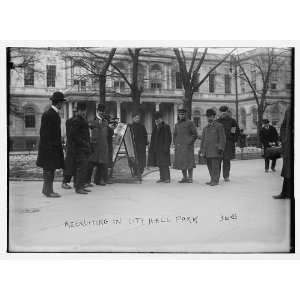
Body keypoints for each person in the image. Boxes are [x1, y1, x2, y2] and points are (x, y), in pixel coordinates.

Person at [36, 91, 66, 197]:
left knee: (50, 170)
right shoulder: (49, 114)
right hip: (49, 149)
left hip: (52, 147)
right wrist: (51, 147)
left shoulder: (53, 114)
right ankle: (48, 191)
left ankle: (47, 190)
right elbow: (44, 134)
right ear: (58, 103)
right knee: (49, 170)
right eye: (62, 102)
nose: (63, 105)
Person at [69, 102, 91, 194]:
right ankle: (78, 188)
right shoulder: (76, 120)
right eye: (81, 111)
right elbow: (73, 135)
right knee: (80, 168)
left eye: (84, 110)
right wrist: (83, 143)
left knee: (84, 167)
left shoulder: (83, 120)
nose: (83, 112)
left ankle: (81, 185)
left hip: (84, 147)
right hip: (79, 148)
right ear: (77, 111)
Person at [200, 109, 226, 186]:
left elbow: (222, 138)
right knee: (210, 166)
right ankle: (212, 179)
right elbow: (203, 140)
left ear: (214, 117)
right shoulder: (205, 128)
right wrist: (202, 150)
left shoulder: (219, 126)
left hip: (215, 150)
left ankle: (215, 180)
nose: (209, 118)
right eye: (208, 117)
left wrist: (221, 148)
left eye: (211, 116)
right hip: (207, 150)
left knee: (215, 166)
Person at [173, 105, 198, 183]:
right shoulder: (177, 125)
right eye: (180, 114)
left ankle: (190, 177)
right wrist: (175, 143)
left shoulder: (190, 123)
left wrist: (189, 142)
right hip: (179, 147)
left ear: (185, 115)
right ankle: (184, 177)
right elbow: (175, 135)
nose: (181, 116)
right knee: (181, 162)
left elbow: (195, 134)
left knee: (189, 162)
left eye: (183, 114)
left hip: (188, 147)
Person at [87, 104, 109, 186]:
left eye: (103, 111)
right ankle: (87, 181)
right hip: (94, 146)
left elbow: (108, 133)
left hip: (102, 146)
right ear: (97, 111)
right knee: (91, 164)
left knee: (101, 164)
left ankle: (98, 180)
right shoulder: (92, 121)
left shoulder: (106, 122)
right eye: (100, 111)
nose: (102, 113)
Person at [273, 106, 292, 199]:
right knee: (288, 170)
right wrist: (284, 140)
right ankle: (285, 193)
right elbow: (284, 126)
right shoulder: (289, 109)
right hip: (289, 144)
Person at [216, 105, 240, 182]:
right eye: (221, 112)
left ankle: (226, 176)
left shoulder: (232, 121)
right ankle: (216, 176)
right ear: (219, 112)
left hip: (228, 143)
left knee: (226, 160)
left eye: (224, 112)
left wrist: (233, 139)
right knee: (218, 160)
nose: (223, 113)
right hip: (219, 144)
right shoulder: (217, 121)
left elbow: (235, 131)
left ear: (227, 112)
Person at [148, 111, 172, 183]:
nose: (157, 121)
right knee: (160, 164)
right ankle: (162, 177)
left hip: (164, 149)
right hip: (157, 149)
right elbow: (153, 138)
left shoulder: (166, 127)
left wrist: (166, 147)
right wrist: (152, 148)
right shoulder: (155, 127)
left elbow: (168, 138)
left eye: (158, 119)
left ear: (161, 119)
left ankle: (167, 178)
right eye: (155, 120)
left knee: (165, 164)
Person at [62, 106, 77, 189]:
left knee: (76, 164)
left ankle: (76, 182)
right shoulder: (70, 121)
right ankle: (64, 182)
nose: (75, 113)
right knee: (69, 164)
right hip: (71, 145)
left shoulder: (78, 121)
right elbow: (70, 133)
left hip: (76, 146)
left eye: (76, 111)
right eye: (74, 111)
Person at [130, 111, 148, 179]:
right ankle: (135, 173)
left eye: (138, 118)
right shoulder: (130, 127)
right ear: (133, 118)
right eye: (136, 118)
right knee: (134, 160)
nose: (137, 119)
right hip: (133, 146)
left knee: (141, 160)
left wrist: (145, 143)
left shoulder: (142, 126)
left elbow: (145, 135)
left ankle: (140, 173)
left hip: (141, 146)